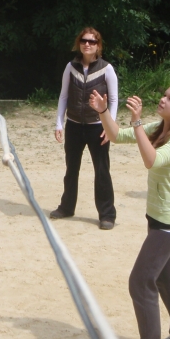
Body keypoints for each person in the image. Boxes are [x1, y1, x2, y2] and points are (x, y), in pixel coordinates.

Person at [89, 82, 170, 339]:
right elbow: (115, 135)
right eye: (164, 95)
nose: (163, 99)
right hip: (159, 219)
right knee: (167, 279)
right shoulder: (161, 128)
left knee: (140, 281)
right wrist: (103, 111)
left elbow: (152, 160)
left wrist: (137, 122)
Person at [50, 27, 118, 230]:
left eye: (92, 41)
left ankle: (107, 215)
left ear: (98, 45)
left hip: (97, 126)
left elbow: (114, 100)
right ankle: (66, 207)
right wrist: (59, 123)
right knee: (71, 169)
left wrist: (110, 126)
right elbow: (64, 96)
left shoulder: (107, 69)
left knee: (102, 171)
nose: (87, 44)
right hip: (74, 125)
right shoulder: (71, 67)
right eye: (84, 40)